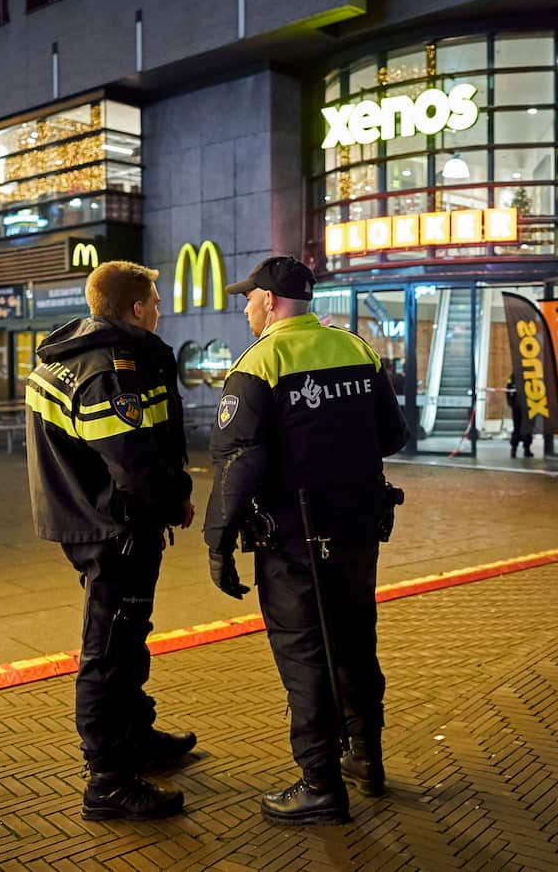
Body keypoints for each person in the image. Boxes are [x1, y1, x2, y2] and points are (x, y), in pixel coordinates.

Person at [202, 256, 409, 826]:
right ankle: (366, 760)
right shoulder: (357, 348)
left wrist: (218, 542)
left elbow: (238, 462)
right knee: (354, 643)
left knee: (304, 655)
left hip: (293, 539)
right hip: (358, 530)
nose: (245, 307)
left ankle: (320, 784)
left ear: (270, 301)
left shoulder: (261, 361)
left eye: (249, 298)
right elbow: (393, 435)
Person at [24, 260, 196, 821]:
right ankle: (108, 781)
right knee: (109, 650)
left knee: (128, 636)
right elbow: (133, 462)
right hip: (114, 527)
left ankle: (135, 738)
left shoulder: (70, 359)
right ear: (137, 307)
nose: (162, 310)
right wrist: (173, 500)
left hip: (97, 519)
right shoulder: (108, 370)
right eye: (157, 301)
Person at [505, 371, 534, 458]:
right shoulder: (515, 375)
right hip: (520, 405)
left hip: (524, 405)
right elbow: (508, 388)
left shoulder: (516, 374)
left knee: (523, 427)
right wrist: (510, 401)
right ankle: (517, 449)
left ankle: (524, 449)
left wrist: (510, 401)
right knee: (520, 427)